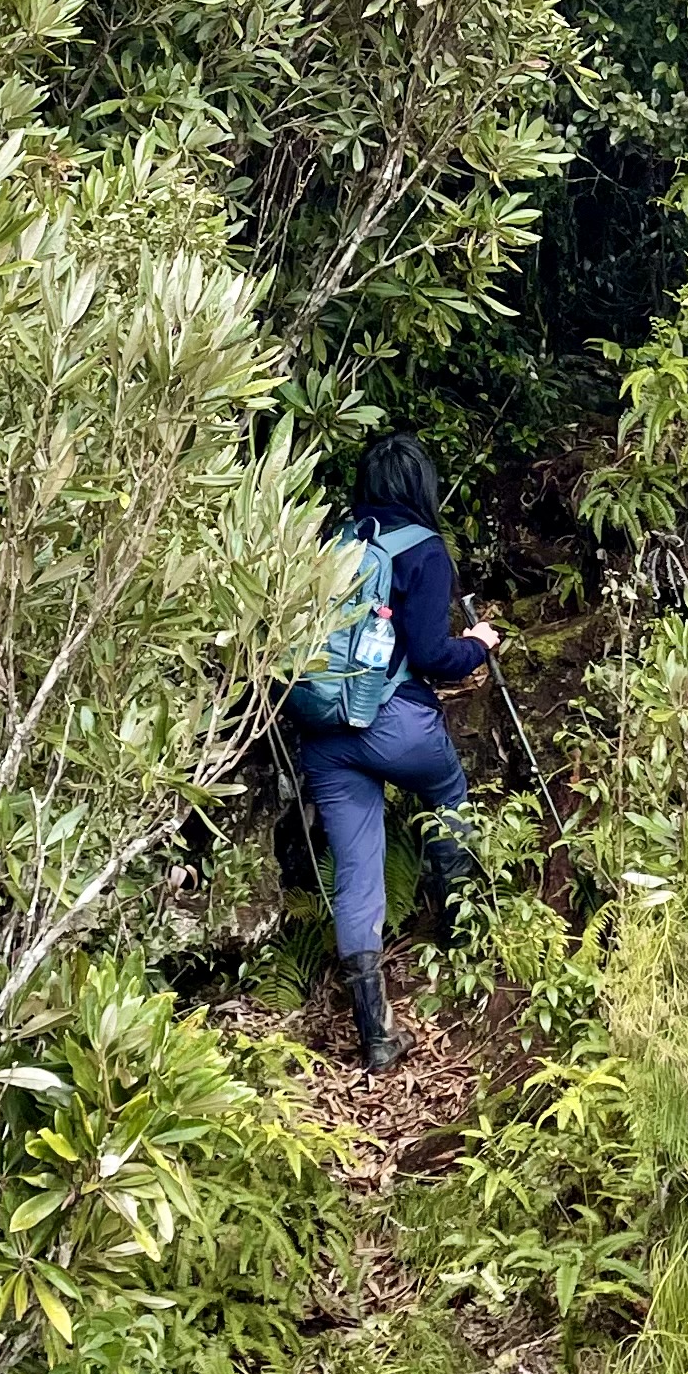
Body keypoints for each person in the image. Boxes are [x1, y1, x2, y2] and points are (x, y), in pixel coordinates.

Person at [293, 432, 496, 1073]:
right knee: (447, 790)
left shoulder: (333, 546)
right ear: (423, 488)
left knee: (357, 875)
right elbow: (435, 657)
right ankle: (459, 927)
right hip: (395, 726)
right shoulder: (426, 552)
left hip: (324, 733)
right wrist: (480, 643)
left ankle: (376, 1034)